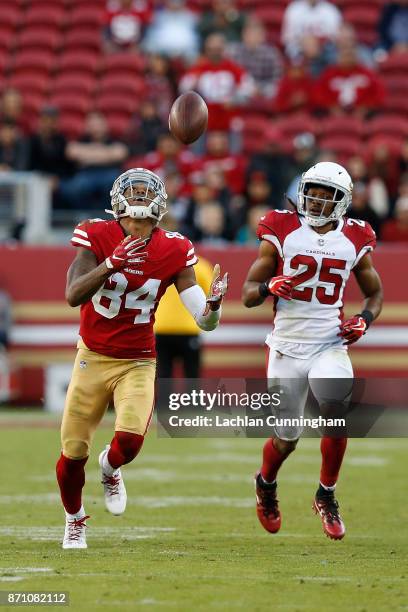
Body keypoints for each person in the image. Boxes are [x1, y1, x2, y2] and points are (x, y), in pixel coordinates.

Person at [56, 167, 228, 549]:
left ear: (159, 207)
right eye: (131, 197)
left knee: (130, 442)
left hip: (138, 359)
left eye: (143, 198)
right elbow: (73, 295)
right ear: (118, 204)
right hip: (93, 356)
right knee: (72, 453)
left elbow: (204, 320)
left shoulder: (174, 248)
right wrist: (110, 264)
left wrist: (213, 306)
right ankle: (74, 518)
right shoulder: (96, 235)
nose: (137, 207)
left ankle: (110, 468)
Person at [242, 161, 383, 540]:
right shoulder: (283, 227)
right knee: (286, 437)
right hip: (287, 346)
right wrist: (271, 285)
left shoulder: (355, 237)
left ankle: (326, 494)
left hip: (329, 342)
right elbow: (248, 293)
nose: (317, 201)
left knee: (337, 414)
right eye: (313, 192)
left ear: (342, 201)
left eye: (326, 195)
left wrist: (364, 319)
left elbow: (374, 291)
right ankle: (266, 483)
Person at [154, 256, 214, 379]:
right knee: (192, 377)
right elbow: (212, 298)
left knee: (164, 376)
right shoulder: (201, 266)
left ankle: (166, 399)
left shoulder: (160, 262)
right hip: (188, 329)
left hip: (162, 327)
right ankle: (190, 399)